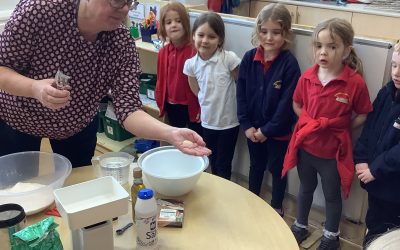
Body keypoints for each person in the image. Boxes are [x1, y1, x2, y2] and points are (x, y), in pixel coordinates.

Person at [0, 0, 211, 168]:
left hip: (76, 125)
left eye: (130, 1)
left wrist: (170, 133)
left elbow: (128, 110)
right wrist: (34, 88)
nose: (125, 8)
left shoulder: (121, 43)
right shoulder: (40, 10)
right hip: (19, 118)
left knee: (77, 192)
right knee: (17, 194)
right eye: (118, 1)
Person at [281, 18, 373, 249]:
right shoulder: (307, 77)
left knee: (332, 195)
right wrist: (312, 123)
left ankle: (331, 235)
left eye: (332, 47)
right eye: (319, 46)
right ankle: (300, 225)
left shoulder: (354, 83)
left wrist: (340, 127)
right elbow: (296, 104)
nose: (324, 52)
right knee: (305, 189)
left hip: (333, 153)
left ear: (346, 51)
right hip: (307, 148)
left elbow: (363, 114)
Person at [236, 4, 300, 216]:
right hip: (252, 130)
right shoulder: (248, 58)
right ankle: (252, 201)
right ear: (258, 32)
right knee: (256, 166)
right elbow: (241, 95)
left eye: (276, 32)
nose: (269, 37)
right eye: (264, 31)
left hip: (277, 134)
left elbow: (287, 106)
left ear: (286, 34)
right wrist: (246, 125)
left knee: (277, 170)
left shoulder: (289, 64)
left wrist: (267, 131)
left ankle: (276, 208)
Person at [183, 12, 241, 180]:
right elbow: (194, 85)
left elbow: (241, 82)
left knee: (224, 162)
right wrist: (204, 98)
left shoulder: (228, 59)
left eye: (211, 36)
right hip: (208, 122)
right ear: (193, 36)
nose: (205, 40)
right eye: (200, 35)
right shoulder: (191, 64)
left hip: (229, 123)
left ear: (220, 40)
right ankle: (215, 187)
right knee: (210, 159)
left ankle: (224, 192)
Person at [353, 42, 400, 248]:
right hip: (376, 182)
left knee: (389, 235)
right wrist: (361, 159)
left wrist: (375, 169)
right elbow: (369, 129)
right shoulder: (386, 93)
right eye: (395, 66)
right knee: (373, 225)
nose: (397, 73)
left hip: (393, 187)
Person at [155, 2, 203, 137]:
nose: (173, 25)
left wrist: (200, 108)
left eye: (178, 21)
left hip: (192, 107)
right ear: (163, 27)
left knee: (194, 143)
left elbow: (202, 84)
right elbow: (161, 79)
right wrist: (161, 103)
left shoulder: (195, 51)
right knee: (178, 143)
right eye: (168, 22)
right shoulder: (163, 52)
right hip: (171, 106)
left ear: (186, 24)